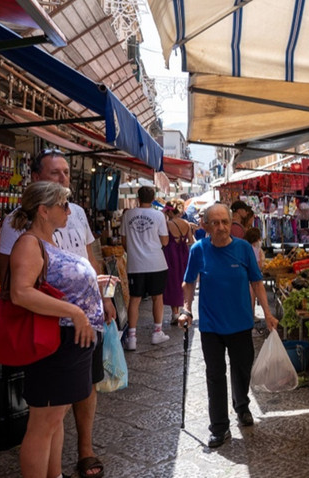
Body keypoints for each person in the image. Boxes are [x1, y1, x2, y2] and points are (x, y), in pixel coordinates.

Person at [0, 149, 112, 478]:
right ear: (44, 211)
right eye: (63, 204)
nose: (68, 210)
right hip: (56, 340)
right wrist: (74, 312)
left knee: (54, 419)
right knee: (43, 423)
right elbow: (19, 292)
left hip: (71, 340)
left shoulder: (49, 241)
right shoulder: (30, 244)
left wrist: (95, 286)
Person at [177, 204, 279, 448]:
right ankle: (219, 427)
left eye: (225, 222)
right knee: (215, 375)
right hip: (211, 326)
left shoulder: (243, 249)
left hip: (241, 322)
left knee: (242, 369)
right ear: (206, 226)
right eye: (215, 222)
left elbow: (256, 281)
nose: (221, 227)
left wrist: (267, 312)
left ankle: (241, 406)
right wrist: (186, 309)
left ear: (231, 223)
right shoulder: (198, 250)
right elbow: (188, 282)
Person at [122, 186, 170, 351]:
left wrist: (135, 251)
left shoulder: (128, 215)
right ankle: (157, 332)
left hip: (135, 264)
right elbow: (165, 242)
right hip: (157, 262)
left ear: (138, 197)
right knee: (158, 297)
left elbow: (124, 242)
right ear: (154, 197)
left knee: (134, 299)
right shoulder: (159, 215)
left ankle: (132, 337)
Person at [163, 201, 194, 325]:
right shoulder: (186, 223)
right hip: (183, 253)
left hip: (171, 254)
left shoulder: (167, 224)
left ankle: (175, 313)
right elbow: (190, 241)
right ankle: (182, 310)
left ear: (170, 211)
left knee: (172, 282)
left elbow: (164, 241)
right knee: (183, 280)